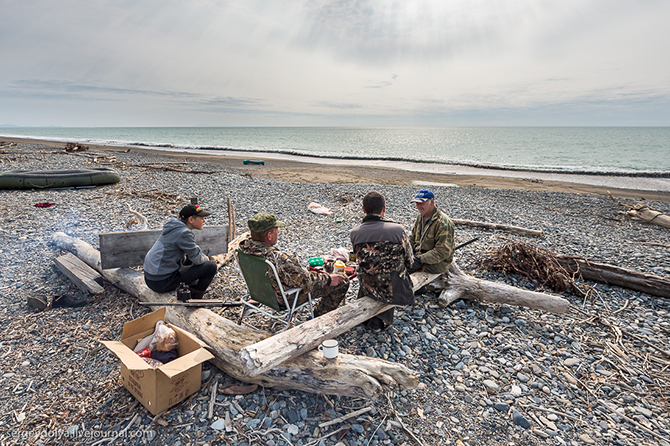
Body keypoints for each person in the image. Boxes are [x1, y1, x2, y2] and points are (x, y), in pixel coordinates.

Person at [239, 212, 349, 317]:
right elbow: (306, 282)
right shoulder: (280, 259)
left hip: (261, 294)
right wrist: (328, 279)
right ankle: (318, 317)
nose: (278, 232)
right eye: (276, 230)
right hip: (283, 299)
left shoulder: (243, 250)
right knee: (342, 281)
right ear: (269, 236)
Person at [350, 191, 414, 330]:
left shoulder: (355, 232)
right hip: (395, 288)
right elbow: (409, 260)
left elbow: (358, 258)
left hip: (367, 284)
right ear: (384, 208)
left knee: (371, 275)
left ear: (363, 209)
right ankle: (379, 321)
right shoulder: (398, 230)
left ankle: (368, 318)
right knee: (391, 276)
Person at [143, 204, 217, 300]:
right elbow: (198, 259)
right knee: (211, 266)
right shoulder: (184, 233)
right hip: (160, 282)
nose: (204, 221)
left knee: (191, 260)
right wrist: (206, 259)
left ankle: (189, 286)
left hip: (151, 277)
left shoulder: (174, 227)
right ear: (191, 220)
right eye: (201, 218)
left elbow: (192, 254)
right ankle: (195, 297)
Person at [408, 189, 455, 274]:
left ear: (432, 201)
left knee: (403, 272)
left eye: (421, 203)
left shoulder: (443, 222)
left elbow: (442, 251)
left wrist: (419, 259)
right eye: (417, 203)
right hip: (419, 257)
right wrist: (405, 251)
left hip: (437, 264)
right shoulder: (420, 217)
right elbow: (412, 238)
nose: (418, 206)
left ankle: (415, 287)